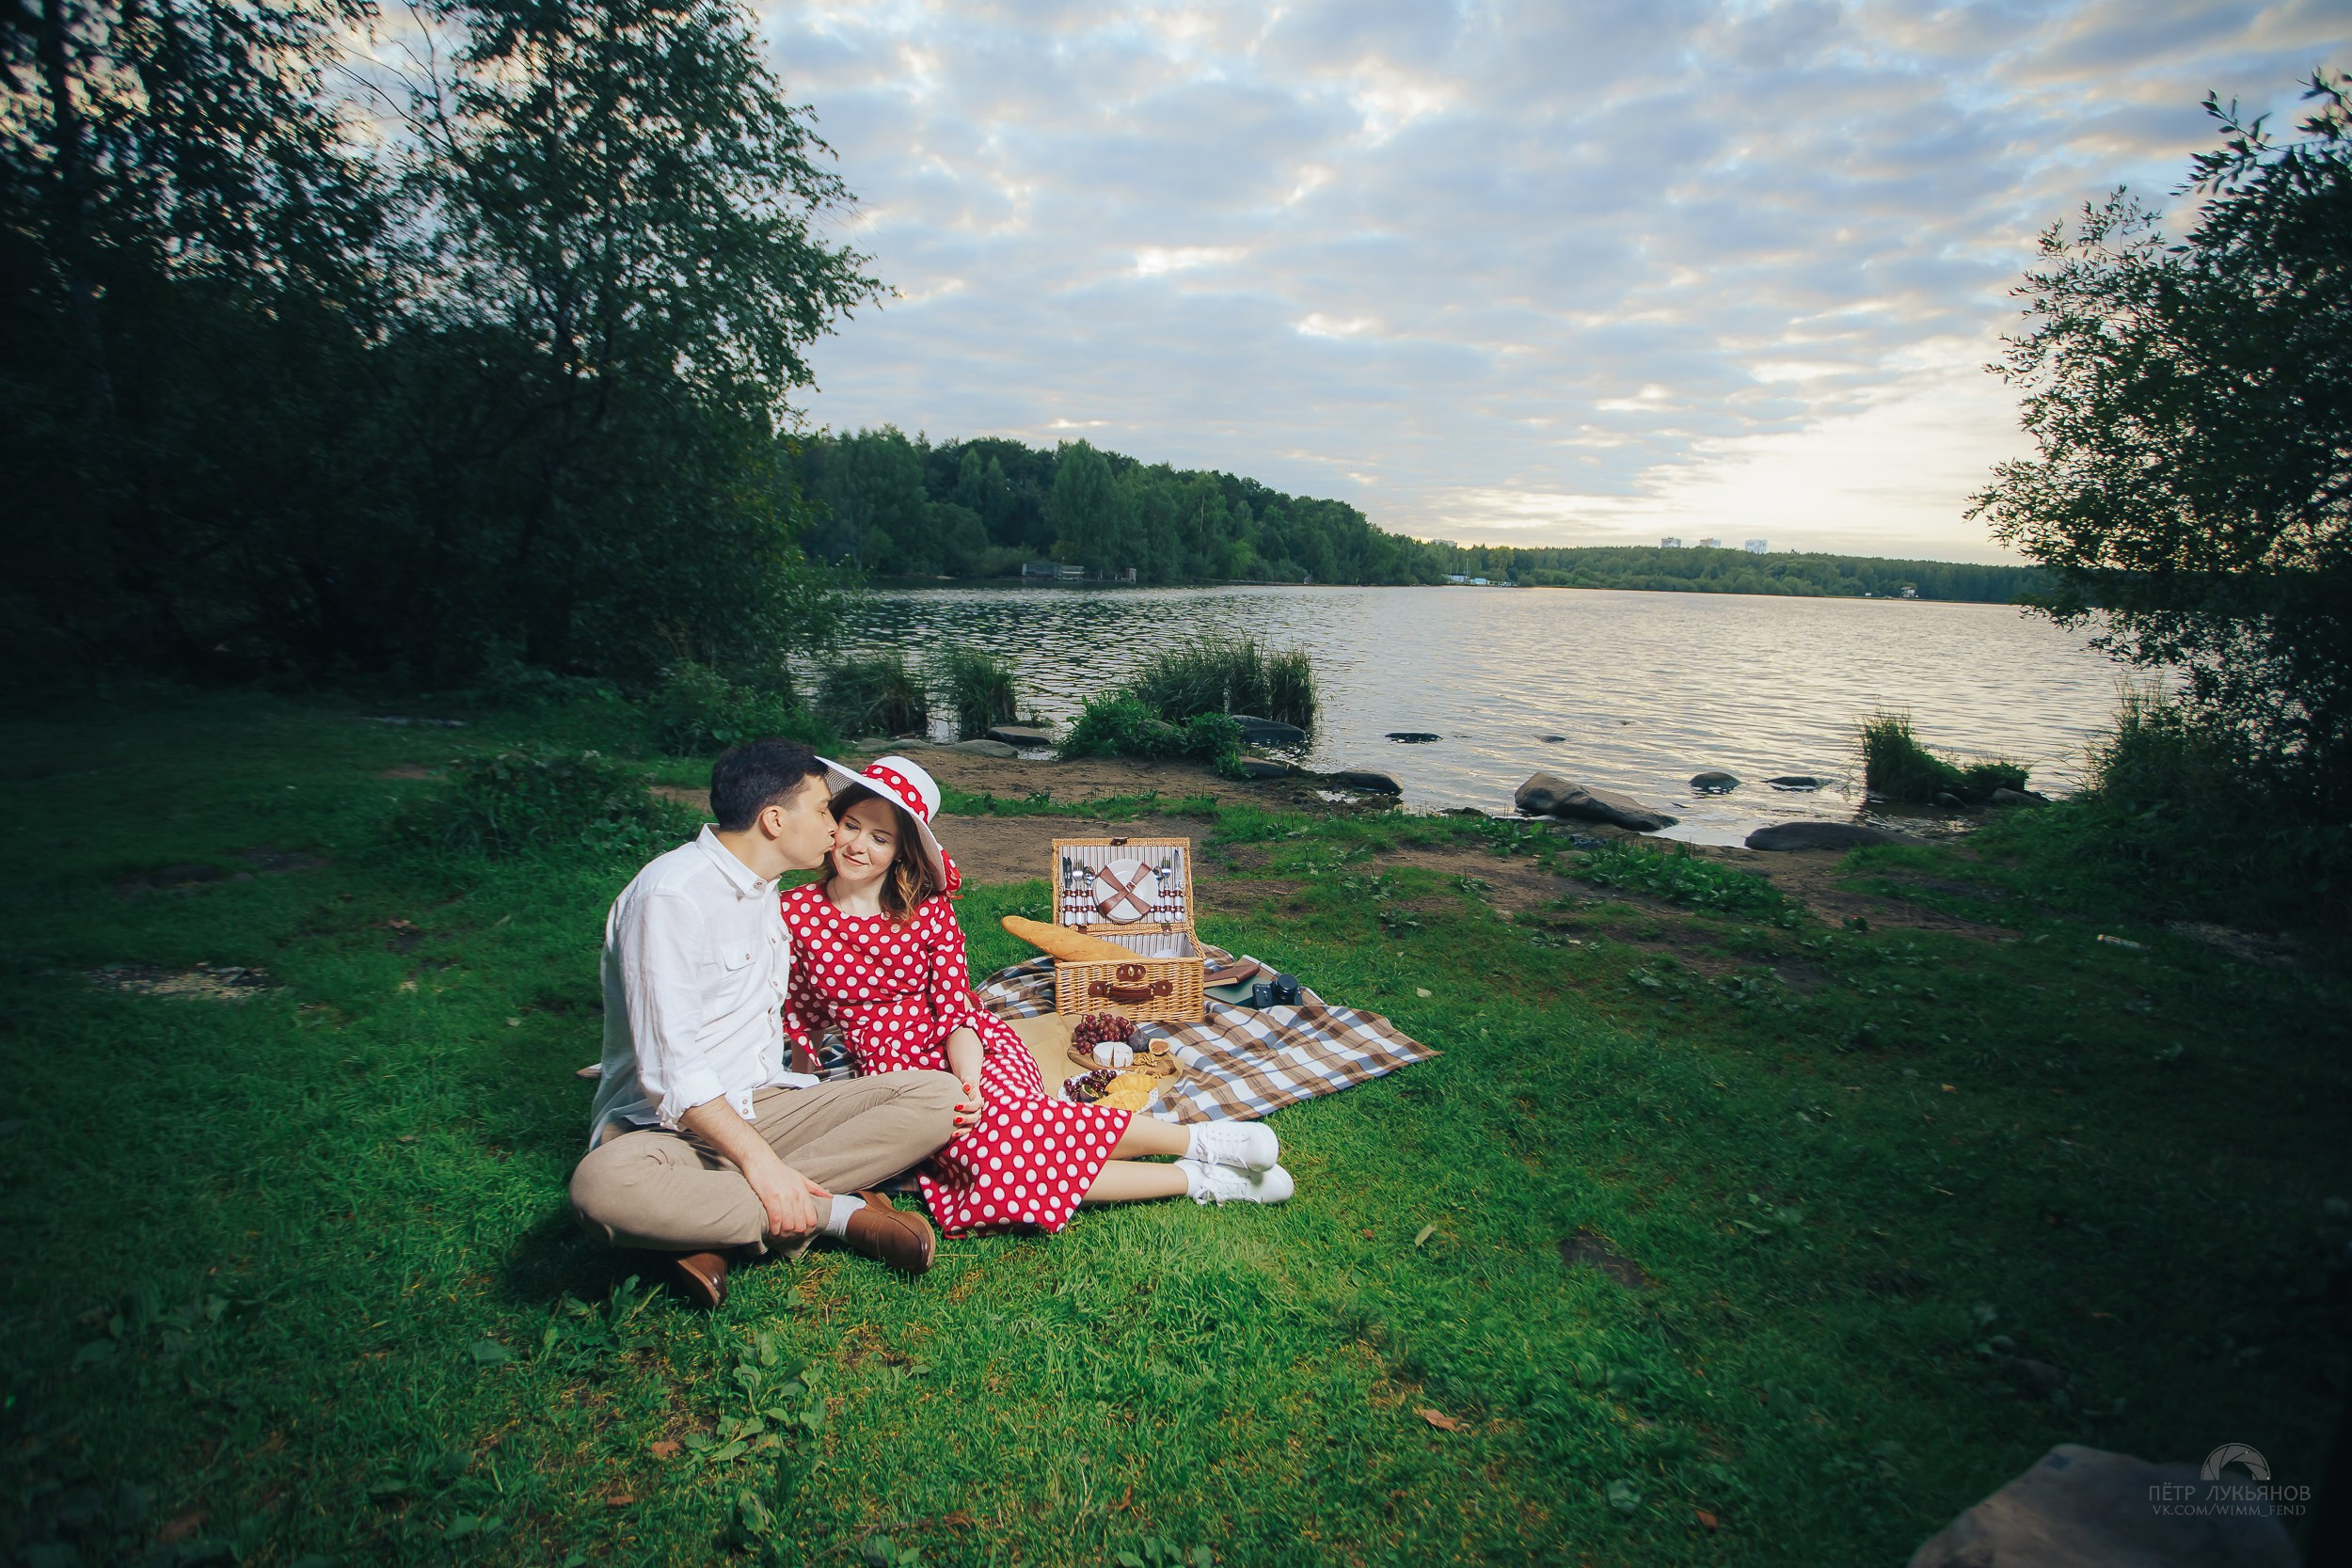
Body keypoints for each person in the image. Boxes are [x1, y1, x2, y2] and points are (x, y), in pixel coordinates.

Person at [780, 754, 1293, 1239]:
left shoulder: (929, 911)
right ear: (834, 824)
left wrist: (969, 1082)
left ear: (900, 852)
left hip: (970, 1053)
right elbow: (802, 1014)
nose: (858, 846)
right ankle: (1201, 1175)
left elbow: (958, 1013)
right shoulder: (796, 912)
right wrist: (801, 1102)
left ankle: (1201, 1143)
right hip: (894, 1073)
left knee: (1008, 1131)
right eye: (852, 826)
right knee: (993, 1160)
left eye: (880, 837)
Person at [568, 739, 964, 1308]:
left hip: (764, 1102)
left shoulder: (765, 891)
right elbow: (674, 1076)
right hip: (666, 1127)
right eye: (826, 812)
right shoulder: (671, 898)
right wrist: (762, 1167)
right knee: (601, 1189)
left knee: (940, 1098)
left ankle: (706, 1231)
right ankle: (838, 1214)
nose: (837, 828)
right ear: (775, 820)